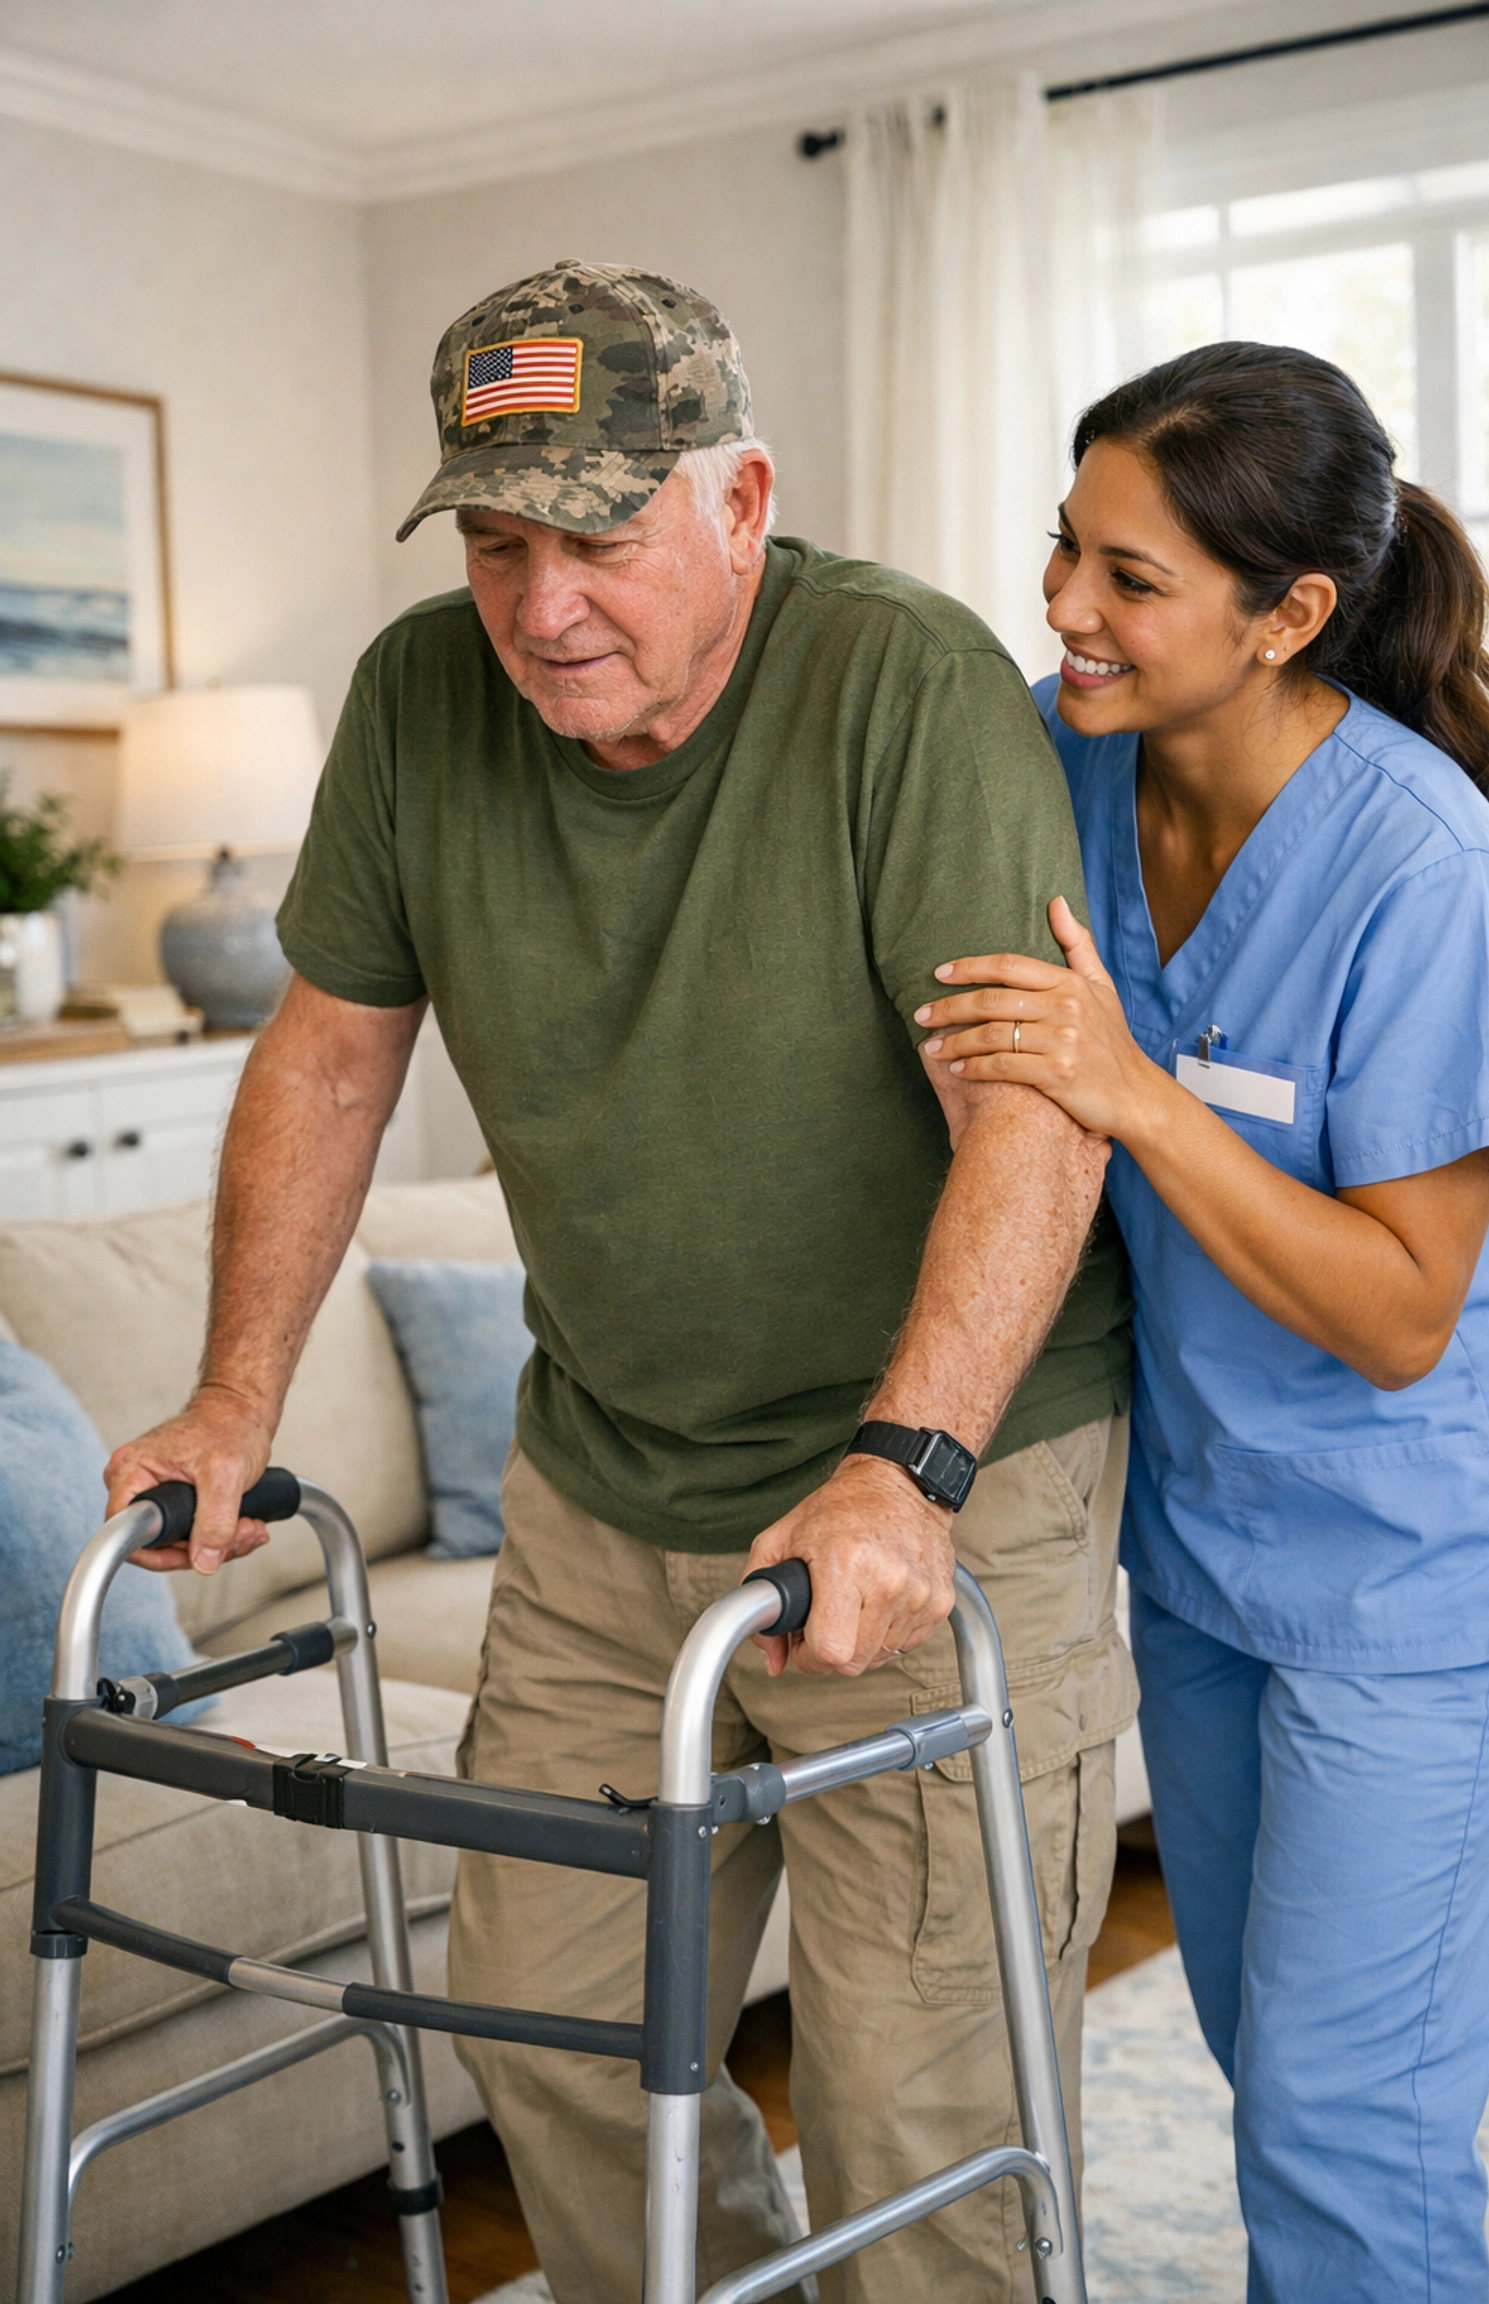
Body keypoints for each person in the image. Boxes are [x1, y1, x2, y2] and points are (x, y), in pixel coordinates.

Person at [105, 263, 1135, 2303]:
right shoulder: (418, 703)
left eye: (596, 534)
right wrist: (236, 1400)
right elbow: (326, 1054)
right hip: (603, 1479)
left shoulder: (899, 687)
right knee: (543, 2029)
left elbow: (1038, 1111)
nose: (542, 602)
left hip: (935, 1479)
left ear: (740, 499)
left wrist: (904, 1466)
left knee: (914, 2109)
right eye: (499, 542)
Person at [914, 340, 1489, 2302]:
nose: (1069, 611)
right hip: (1195, 1567)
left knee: (1349, 2138)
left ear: (1291, 616)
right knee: (1266, 2072)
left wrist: (1135, 1093)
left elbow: (1404, 1313)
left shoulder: (1430, 874)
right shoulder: (1067, 755)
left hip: (1407, 1592)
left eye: (1132, 579)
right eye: (1063, 550)